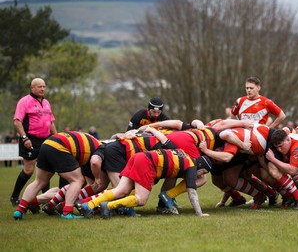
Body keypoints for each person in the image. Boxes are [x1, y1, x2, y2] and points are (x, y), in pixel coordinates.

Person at [77, 149, 212, 218]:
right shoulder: (192, 167)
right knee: (141, 199)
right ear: (200, 166)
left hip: (139, 156)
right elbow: (192, 192)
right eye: (203, 172)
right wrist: (200, 214)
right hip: (147, 163)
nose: (201, 175)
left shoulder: (184, 154)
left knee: (120, 190)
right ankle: (108, 206)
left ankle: (88, 205)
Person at [13, 131, 103, 220]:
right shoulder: (101, 149)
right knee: (77, 180)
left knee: (39, 182)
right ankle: (67, 212)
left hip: (47, 144)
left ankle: (19, 210)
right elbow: (95, 162)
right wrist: (98, 178)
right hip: (60, 147)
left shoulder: (92, 143)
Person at [10, 78, 57, 206]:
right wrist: (25, 138)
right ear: (32, 88)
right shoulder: (24, 101)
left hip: (46, 140)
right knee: (29, 170)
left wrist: (57, 137)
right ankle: (14, 196)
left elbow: (51, 122)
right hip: (30, 139)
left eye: (44, 86)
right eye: (39, 86)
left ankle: (44, 200)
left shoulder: (46, 102)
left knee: (45, 170)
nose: (42, 89)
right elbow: (17, 121)